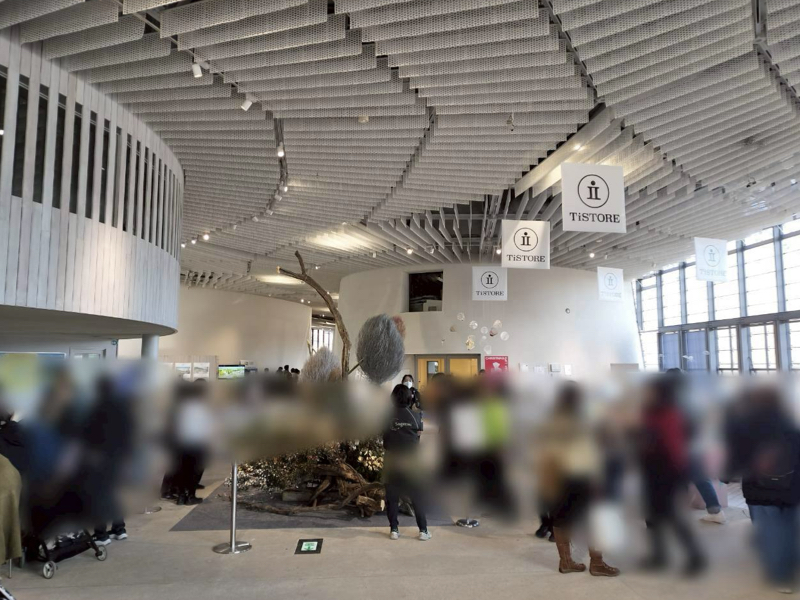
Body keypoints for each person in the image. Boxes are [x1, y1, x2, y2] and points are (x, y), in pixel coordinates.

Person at [536, 382, 619, 576]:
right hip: (580, 477)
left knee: (561, 518)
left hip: (557, 477)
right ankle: (597, 563)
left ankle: (566, 562)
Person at [725, 385, 800, 593]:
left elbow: (737, 458)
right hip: (791, 489)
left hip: (759, 491)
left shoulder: (747, 430)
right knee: (789, 529)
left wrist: (725, 476)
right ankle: (792, 563)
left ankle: (781, 576)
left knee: (770, 533)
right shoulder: (792, 429)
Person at [639, 375, 706, 576]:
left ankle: (695, 556)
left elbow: (675, 447)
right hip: (652, 471)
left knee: (671, 516)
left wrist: (678, 475)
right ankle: (659, 555)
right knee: (652, 516)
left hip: (667, 473)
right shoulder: (650, 412)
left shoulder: (669, 413)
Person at [382, 384, 430, 541]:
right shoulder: (415, 415)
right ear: (409, 397)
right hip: (410, 459)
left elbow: (384, 439)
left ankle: (394, 530)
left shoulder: (386, 415)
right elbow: (418, 436)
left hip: (392, 458)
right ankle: (423, 530)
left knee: (392, 496)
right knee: (416, 495)